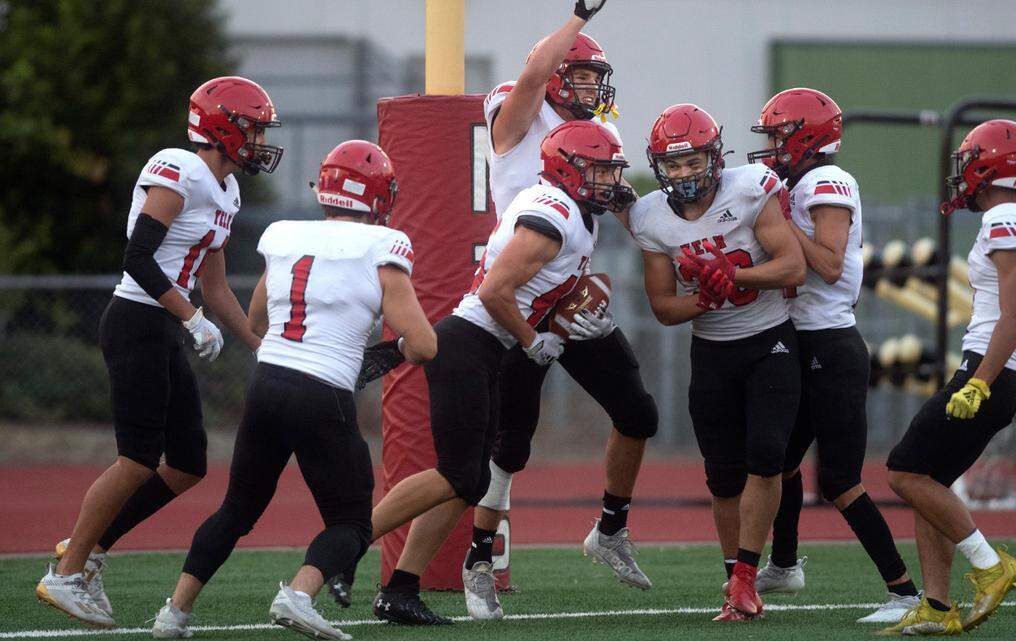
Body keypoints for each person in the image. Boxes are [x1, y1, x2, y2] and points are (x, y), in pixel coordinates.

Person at [148, 140, 436, 640]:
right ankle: (298, 595)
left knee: (237, 510)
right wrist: (392, 348)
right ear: (378, 196)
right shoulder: (383, 245)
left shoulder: (285, 236)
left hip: (267, 382)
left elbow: (257, 316)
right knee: (351, 522)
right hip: (322, 390)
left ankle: (174, 613)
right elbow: (426, 344)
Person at [36, 76, 283, 629]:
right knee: (137, 457)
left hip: (163, 325)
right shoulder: (182, 168)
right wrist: (187, 315)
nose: (260, 139)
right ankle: (68, 570)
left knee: (190, 461)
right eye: (254, 128)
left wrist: (259, 346)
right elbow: (138, 256)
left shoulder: (227, 191)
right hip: (135, 320)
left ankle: (89, 550)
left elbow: (215, 286)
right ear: (223, 128)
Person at [368, 120, 633, 625]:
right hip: (469, 343)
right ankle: (342, 543)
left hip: (483, 350)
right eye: (598, 170)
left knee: (468, 481)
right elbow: (493, 291)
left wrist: (572, 320)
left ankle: (400, 589)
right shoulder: (550, 214)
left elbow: (536, 295)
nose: (608, 181)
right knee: (454, 474)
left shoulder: (575, 214)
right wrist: (534, 341)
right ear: (569, 170)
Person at [461, 0, 659, 616]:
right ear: (551, 76)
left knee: (638, 412)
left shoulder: (603, 135)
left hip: (571, 291)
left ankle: (610, 528)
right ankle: (477, 562)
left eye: (596, 78)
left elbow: (625, 207)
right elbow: (529, 78)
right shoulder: (519, 114)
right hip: (521, 294)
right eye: (578, 76)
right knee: (511, 442)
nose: (591, 88)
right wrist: (578, 17)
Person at [745, 88, 919, 624]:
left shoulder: (826, 180)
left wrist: (773, 218)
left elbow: (828, 262)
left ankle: (905, 592)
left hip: (830, 344)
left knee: (840, 481)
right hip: (802, 339)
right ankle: (785, 563)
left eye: (778, 135)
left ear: (805, 136)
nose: (772, 147)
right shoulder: (801, 183)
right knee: (777, 461)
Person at [630, 104, 805, 621]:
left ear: (715, 156)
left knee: (767, 455)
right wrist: (704, 301)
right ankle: (735, 580)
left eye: (692, 162)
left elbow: (793, 263)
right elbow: (663, 308)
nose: (684, 174)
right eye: (673, 164)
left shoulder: (750, 188)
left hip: (769, 339)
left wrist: (734, 276)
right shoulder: (651, 217)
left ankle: (750, 578)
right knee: (722, 477)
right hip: (712, 350)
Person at [881, 119, 1016, 635]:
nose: (962, 174)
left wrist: (979, 381)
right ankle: (937, 606)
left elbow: (1014, 313)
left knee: (903, 472)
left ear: (991, 165)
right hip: (999, 369)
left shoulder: (1005, 217)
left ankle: (989, 565)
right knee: (927, 478)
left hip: (993, 369)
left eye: (969, 161)